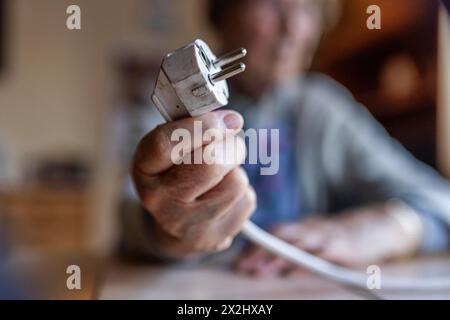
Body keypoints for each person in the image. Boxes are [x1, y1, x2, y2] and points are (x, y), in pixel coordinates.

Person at [123, 0, 450, 276]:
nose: (294, 29)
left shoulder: (323, 111)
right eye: (272, 3)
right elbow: (126, 215)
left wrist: (390, 227)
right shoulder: (170, 103)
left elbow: (440, 200)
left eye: (308, 8)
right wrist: (169, 232)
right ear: (223, 14)